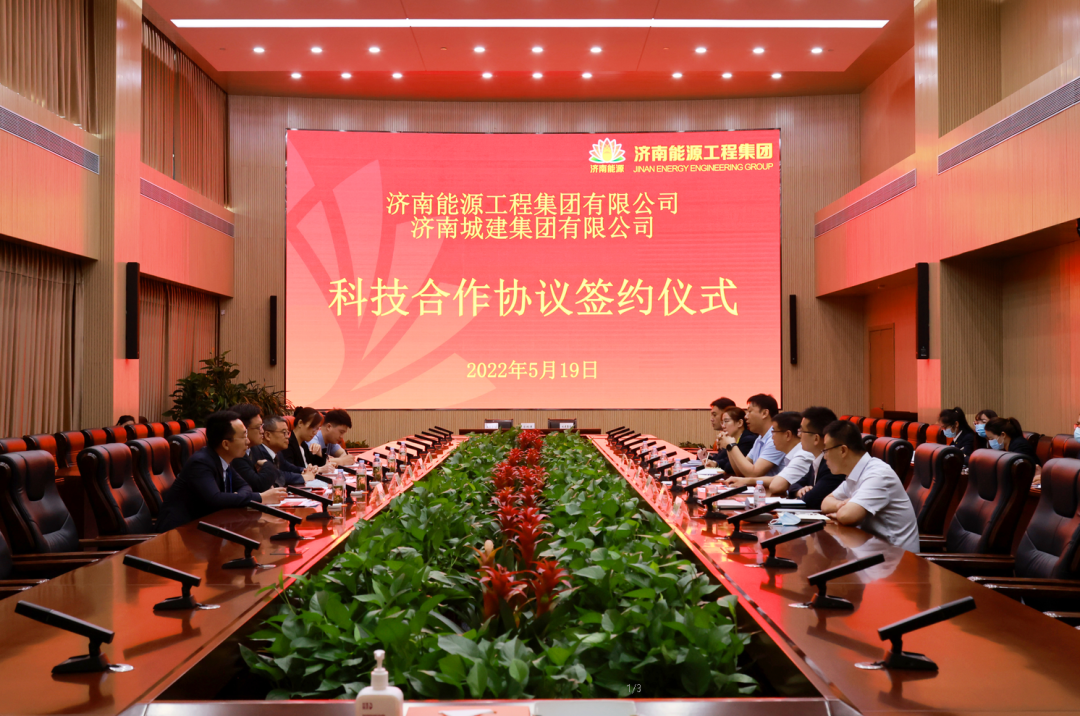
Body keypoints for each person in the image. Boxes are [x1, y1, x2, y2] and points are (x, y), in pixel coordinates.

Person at [155, 410, 286, 533]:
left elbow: (245, 486)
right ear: (226, 444)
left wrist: (237, 496)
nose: (248, 441)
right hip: (179, 532)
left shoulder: (223, 460)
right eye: (243, 436)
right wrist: (261, 497)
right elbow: (215, 499)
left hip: (206, 527)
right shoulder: (201, 463)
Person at [820, 420, 920, 553]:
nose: (824, 457)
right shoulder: (855, 473)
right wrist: (841, 504)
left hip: (896, 559)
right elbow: (825, 503)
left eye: (826, 450)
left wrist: (844, 509)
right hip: (873, 551)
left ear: (843, 450)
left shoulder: (878, 474)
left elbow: (847, 516)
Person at [770, 406, 846, 510]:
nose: (799, 435)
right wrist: (799, 491)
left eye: (802, 431)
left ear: (816, 438)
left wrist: (805, 493)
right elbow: (794, 485)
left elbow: (811, 500)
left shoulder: (831, 465)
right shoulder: (817, 460)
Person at [728, 411, 810, 489]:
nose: (772, 436)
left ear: (787, 435)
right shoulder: (792, 455)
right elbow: (777, 478)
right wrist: (745, 481)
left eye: (774, 431)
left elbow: (776, 485)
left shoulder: (803, 456)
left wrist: (731, 446)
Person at [721, 393, 785, 480]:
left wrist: (732, 445)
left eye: (750, 411)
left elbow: (754, 473)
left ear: (764, 413)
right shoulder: (759, 439)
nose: (746, 417)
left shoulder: (775, 438)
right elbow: (740, 472)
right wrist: (729, 447)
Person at [255, 415, 311, 486]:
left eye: (288, 433)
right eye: (284, 432)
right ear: (267, 435)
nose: (287, 437)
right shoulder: (259, 452)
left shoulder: (278, 452)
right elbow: (276, 475)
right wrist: (303, 477)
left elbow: (288, 467)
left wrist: (304, 470)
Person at [702, 407, 757, 473]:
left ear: (740, 423)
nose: (723, 426)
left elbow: (730, 467)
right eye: (722, 422)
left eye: (726, 421)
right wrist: (716, 463)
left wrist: (728, 446)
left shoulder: (748, 440)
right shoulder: (734, 439)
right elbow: (724, 459)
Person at [697, 397, 736, 464]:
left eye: (714, 415)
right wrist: (706, 457)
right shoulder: (724, 435)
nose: (711, 419)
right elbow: (721, 459)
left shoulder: (742, 438)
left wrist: (715, 463)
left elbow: (729, 464)